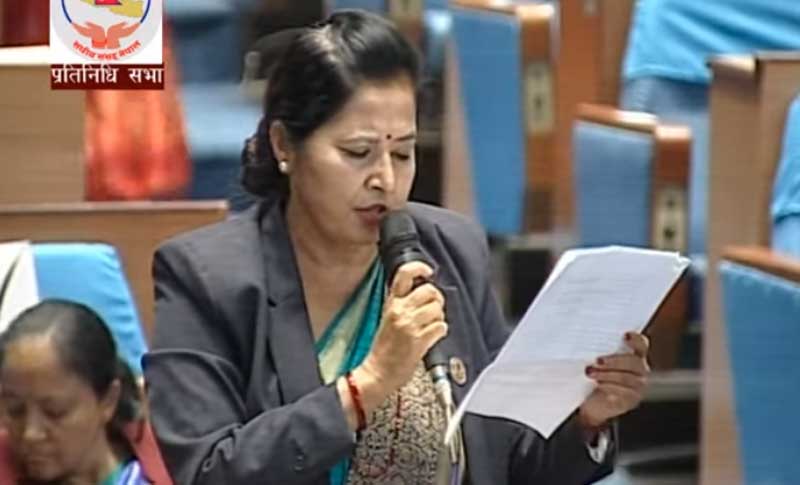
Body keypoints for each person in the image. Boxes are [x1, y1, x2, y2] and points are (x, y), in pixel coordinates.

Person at [144, 9, 651, 485]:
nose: (385, 180)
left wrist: (586, 418)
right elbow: (208, 470)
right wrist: (364, 386)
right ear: (283, 146)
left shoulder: (450, 248)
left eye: (403, 153)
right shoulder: (206, 276)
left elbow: (505, 456)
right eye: (358, 152)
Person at [0, 300, 171, 485]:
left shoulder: (171, 469)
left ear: (108, 400)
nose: (31, 433)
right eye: (15, 410)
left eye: (54, 412)